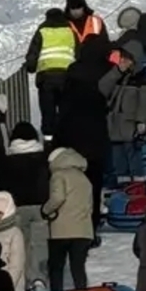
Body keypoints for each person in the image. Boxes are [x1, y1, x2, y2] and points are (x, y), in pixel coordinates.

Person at [51, 49, 110, 245]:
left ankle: (70, 233)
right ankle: (90, 233)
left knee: (69, 194)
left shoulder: (68, 94)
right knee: (92, 192)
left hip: (72, 153)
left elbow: (61, 123)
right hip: (95, 151)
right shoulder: (98, 94)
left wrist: (56, 146)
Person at [4, 121, 51, 289]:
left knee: (19, 245)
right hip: (39, 206)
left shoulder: (8, 160)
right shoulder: (42, 157)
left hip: (18, 207)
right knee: (39, 244)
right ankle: (39, 278)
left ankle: (21, 280)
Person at [43, 144, 94, 291]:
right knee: (78, 268)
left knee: (56, 267)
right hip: (83, 230)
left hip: (61, 229)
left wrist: (45, 210)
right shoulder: (83, 177)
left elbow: (57, 198)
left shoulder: (58, 175)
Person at [24, 10, 77, 134]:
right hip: (67, 79)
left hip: (46, 79)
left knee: (48, 113)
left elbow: (33, 52)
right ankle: (67, 140)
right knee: (67, 112)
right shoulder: (70, 31)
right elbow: (79, 52)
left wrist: (30, 67)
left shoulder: (42, 31)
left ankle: (49, 141)